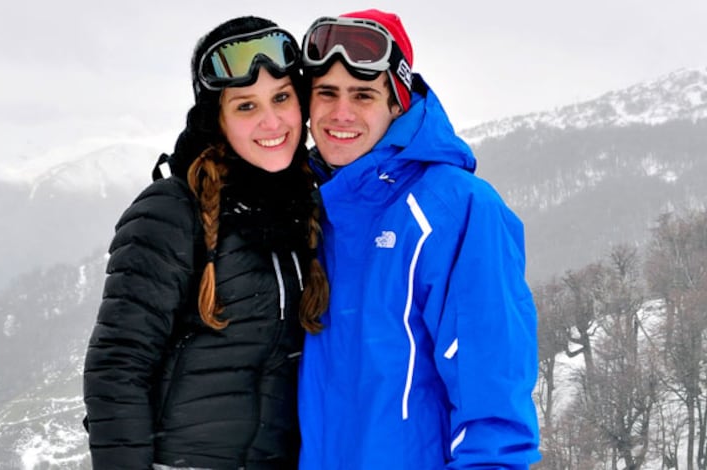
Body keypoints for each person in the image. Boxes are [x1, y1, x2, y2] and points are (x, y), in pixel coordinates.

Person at [297, 9, 541, 469]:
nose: (340, 113)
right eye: (326, 93)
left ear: (398, 103)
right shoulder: (306, 211)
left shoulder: (455, 209)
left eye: (363, 95)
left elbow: (493, 408)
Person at [83, 16, 328, 470]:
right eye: (245, 106)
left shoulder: (307, 207)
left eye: (281, 97)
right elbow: (117, 368)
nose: (271, 121)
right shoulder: (173, 211)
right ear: (217, 118)